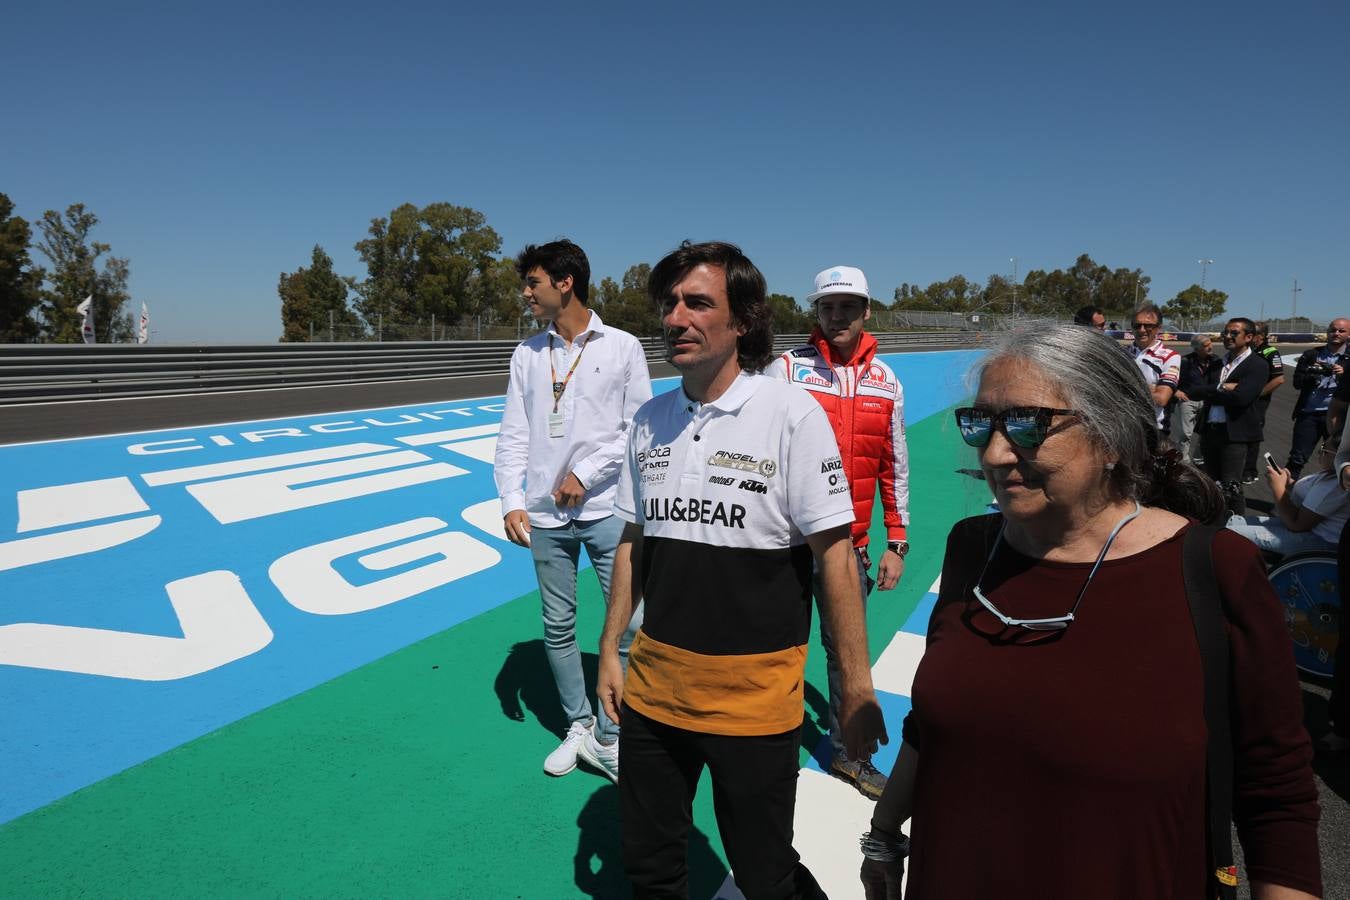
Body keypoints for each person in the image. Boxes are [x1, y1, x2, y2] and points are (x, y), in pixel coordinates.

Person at [857, 322, 1321, 900]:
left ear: (1111, 437)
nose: (996, 454)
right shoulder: (972, 548)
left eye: (1028, 424)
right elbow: (931, 728)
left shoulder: (1214, 569)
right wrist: (883, 835)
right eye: (981, 425)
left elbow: (1275, 795)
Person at [597, 241, 887, 899]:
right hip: (654, 694)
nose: (675, 318)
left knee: (766, 875)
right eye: (668, 304)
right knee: (651, 871)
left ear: (743, 323)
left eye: (697, 303)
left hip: (754, 703)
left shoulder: (789, 413)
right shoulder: (649, 419)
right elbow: (632, 541)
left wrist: (856, 688)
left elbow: (836, 556)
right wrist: (613, 647)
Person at [493, 238, 652, 783]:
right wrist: (512, 499)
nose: (526, 293)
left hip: (608, 507)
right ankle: (580, 727)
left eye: (533, 283)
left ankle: (612, 736)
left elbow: (638, 431)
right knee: (557, 627)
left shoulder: (623, 347)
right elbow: (513, 433)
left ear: (565, 283)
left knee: (630, 621)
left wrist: (587, 474)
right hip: (544, 516)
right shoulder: (526, 354)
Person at [769, 265, 910, 800]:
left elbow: (893, 465)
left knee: (844, 649)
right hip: (783, 542)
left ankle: (850, 754)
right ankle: (768, 740)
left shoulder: (887, 381)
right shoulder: (786, 371)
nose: (837, 316)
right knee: (780, 644)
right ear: (817, 312)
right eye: (828, 307)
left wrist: (897, 539)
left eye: (848, 306)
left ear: (866, 310)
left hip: (849, 545)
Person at [1189, 318, 1268, 516]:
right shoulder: (1216, 363)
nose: (1227, 336)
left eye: (1234, 333)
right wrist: (1221, 387)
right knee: (1211, 482)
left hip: (1235, 435)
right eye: (1225, 332)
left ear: (1248, 337)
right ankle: (1214, 521)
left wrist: (1212, 392)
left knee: (1231, 484)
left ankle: (1236, 528)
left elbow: (1242, 398)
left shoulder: (1257, 364)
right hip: (1210, 431)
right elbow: (1194, 391)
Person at [1227, 444, 1350, 556]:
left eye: (1324, 449)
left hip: (1320, 539)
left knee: (1228, 534)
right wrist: (1288, 483)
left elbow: (1296, 525)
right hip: (1311, 528)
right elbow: (1312, 497)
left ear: (1340, 456)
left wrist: (1278, 489)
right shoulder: (1330, 475)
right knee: (1231, 523)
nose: (1319, 451)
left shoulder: (1334, 487)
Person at [1287, 319, 1350, 479]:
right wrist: (1315, 374)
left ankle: (1335, 501)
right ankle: (1283, 499)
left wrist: (1345, 376)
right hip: (1309, 414)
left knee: (1340, 460)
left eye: (1341, 331)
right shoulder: (1311, 354)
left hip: (1340, 418)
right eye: (1333, 330)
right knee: (1296, 459)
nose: (1336, 333)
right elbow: (1297, 383)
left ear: (1349, 334)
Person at [1126, 303, 1180, 432]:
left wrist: (1126, 386)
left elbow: (1161, 399)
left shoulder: (1171, 356)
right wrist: (1150, 388)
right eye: (1137, 325)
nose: (1142, 330)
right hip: (1124, 429)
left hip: (1154, 430)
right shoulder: (1121, 353)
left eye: (1148, 326)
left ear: (1158, 328)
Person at [1243, 322, 1286, 483]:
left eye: (1251, 333)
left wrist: (1257, 394)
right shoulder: (1248, 351)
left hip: (1257, 403)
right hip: (1242, 399)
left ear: (1260, 336)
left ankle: (1249, 470)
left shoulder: (1270, 352)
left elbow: (1279, 379)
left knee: (1252, 436)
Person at [1171, 334, 1218, 465]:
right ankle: (1184, 461)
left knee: (1205, 433)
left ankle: (1199, 458)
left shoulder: (1216, 360)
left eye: (1210, 344)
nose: (1210, 347)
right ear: (1196, 349)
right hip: (1188, 401)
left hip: (1208, 402)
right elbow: (1171, 378)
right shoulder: (1184, 361)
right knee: (1186, 434)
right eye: (1206, 345)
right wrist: (1175, 391)